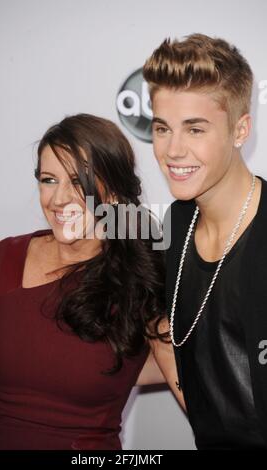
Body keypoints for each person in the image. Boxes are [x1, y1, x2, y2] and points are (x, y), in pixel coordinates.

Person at [0, 113, 182, 450]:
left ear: (113, 192)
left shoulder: (141, 276)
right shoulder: (7, 257)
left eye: (78, 182)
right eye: (49, 180)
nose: (58, 199)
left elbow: (190, 383)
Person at [143, 33, 267, 450]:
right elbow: (169, 334)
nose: (173, 150)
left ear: (240, 129)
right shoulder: (176, 223)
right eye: (162, 128)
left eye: (195, 129)